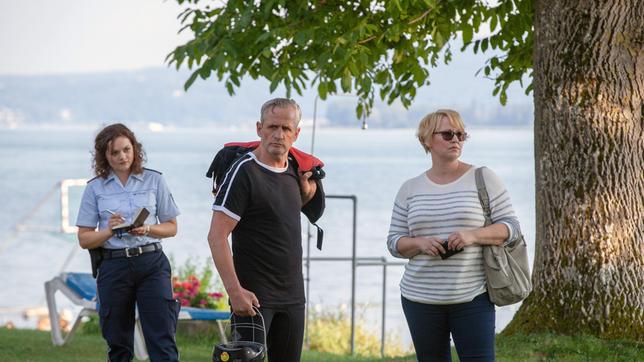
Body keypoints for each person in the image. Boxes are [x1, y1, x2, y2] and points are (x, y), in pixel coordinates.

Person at [387, 109, 522, 361]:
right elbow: (394, 242)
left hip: (472, 297)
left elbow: (511, 228)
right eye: (448, 134)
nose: (456, 140)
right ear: (427, 140)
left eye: (461, 134)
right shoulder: (410, 189)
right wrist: (420, 243)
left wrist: (473, 236)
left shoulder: (483, 178)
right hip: (419, 298)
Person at [207, 98, 321, 362]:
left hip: (293, 296)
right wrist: (235, 292)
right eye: (272, 127)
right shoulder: (243, 172)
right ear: (259, 128)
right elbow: (216, 237)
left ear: (296, 133)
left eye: (286, 128)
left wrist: (305, 195)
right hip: (253, 298)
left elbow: (278, 213)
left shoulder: (295, 171)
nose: (278, 135)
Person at [76, 123, 180, 361]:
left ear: (135, 149)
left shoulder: (154, 180)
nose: (122, 156)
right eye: (114, 152)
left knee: (162, 338)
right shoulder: (94, 188)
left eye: (126, 149)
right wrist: (110, 231)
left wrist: (148, 228)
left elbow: (172, 227)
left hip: (152, 264)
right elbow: (84, 239)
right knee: (118, 343)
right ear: (105, 156)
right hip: (113, 267)